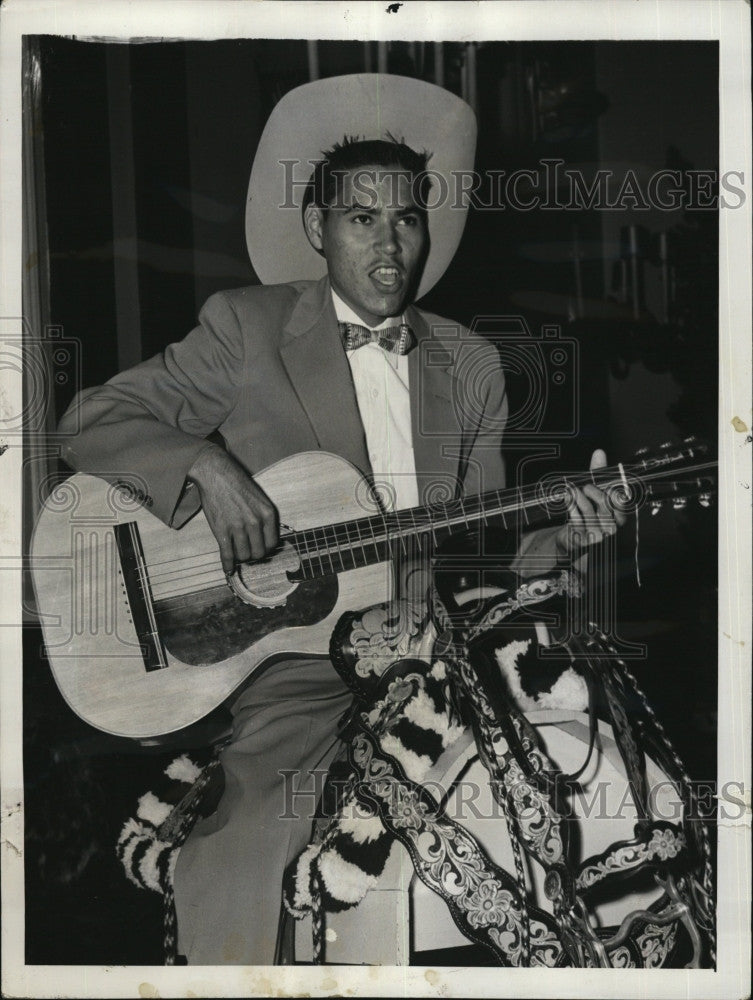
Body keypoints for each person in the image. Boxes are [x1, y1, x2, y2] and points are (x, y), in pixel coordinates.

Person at [57, 73, 624, 964]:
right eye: (362, 219)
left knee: (591, 780)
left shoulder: (473, 364)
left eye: (407, 217)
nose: (390, 242)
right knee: (242, 844)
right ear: (317, 230)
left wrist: (568, 541)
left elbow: (497, 551)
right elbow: (87, 423)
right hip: (293, 665)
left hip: (434, 642)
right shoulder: (246, 329)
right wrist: (207, 466)